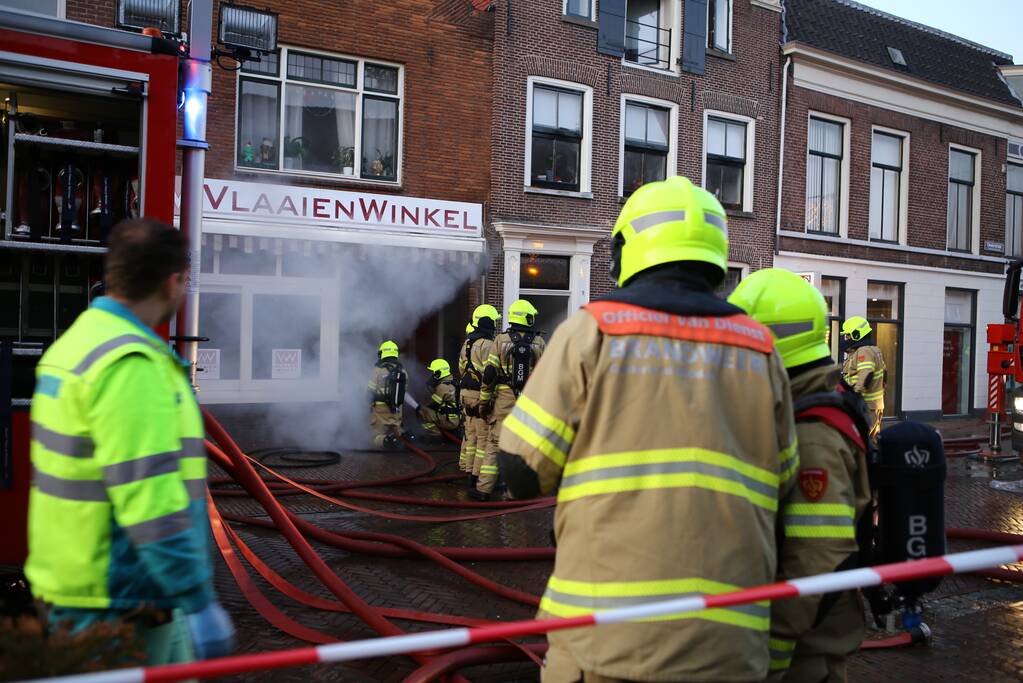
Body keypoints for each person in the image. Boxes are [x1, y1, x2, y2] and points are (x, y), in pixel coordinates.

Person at [497, 176, 799, 683]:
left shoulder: (593, 330)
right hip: (729, 648)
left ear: (626, 250)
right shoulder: (760, 349)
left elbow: (521, 469)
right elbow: (785, 481)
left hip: (606, 645)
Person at [25, 218, 234, 665]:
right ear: (172, 281)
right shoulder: (131, 364)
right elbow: (153, 503)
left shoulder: (74, 346)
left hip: (77, 587)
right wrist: (197, 598)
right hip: (122, 603)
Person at [729, 269, 871, 683]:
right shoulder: (807, 402)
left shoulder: (812, 437)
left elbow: (816, 561)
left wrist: (768, 658)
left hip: (800, 654)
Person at [475, 299, 545, 500]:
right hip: (528, 402)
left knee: (494, 444)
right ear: (527, 317)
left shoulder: (500, 340)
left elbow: (489, 375)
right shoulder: (539, 342)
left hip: (503, 400)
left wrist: (484, 403)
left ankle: (483, 490)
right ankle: (514, 492)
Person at [458, 305, 500, 489]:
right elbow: (490, 375)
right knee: (484, 438)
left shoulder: (467, 343)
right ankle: (476, 477)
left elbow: (461, 369)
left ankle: (468, 471)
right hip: (478, 395)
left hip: (464, 394)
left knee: (470, 436)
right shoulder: (489, 345)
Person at [841, 316, 886, 442]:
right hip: (874, 405)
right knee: (872, 441)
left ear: (857, 334)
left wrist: (854, 395)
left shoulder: (864, 351)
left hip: (866, 404)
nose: (846, 339)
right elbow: (884, 373)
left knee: (862, 441)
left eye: (848, 336)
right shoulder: (874, 350)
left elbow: (866, 374)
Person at [368, 340, 409, 450]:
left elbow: (370, 389)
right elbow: (404, 390)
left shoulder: (377, 370)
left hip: (380, 408)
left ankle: (386, 441)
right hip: (397, 409)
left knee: (375, 436)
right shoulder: (402, 371)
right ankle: (404, 438)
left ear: (382, 353)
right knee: (397, 429)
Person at [417, 358, 461, 438]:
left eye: (433, 372)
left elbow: (433, 405)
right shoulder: (453, 383)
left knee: (422, 412)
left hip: (449, 421)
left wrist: (420, 408)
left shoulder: (442, 387)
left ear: (438, 373)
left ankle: (435, 436)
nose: (432, 374)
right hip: (456, 419)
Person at [457, 322, 477, 474]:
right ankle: (471, 469)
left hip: (464, 391)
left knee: (468, 431)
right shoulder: (482, 345)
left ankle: (464, 464)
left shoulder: (465, 347)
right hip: (476, 392)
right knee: (476, 435)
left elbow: (461, 369)